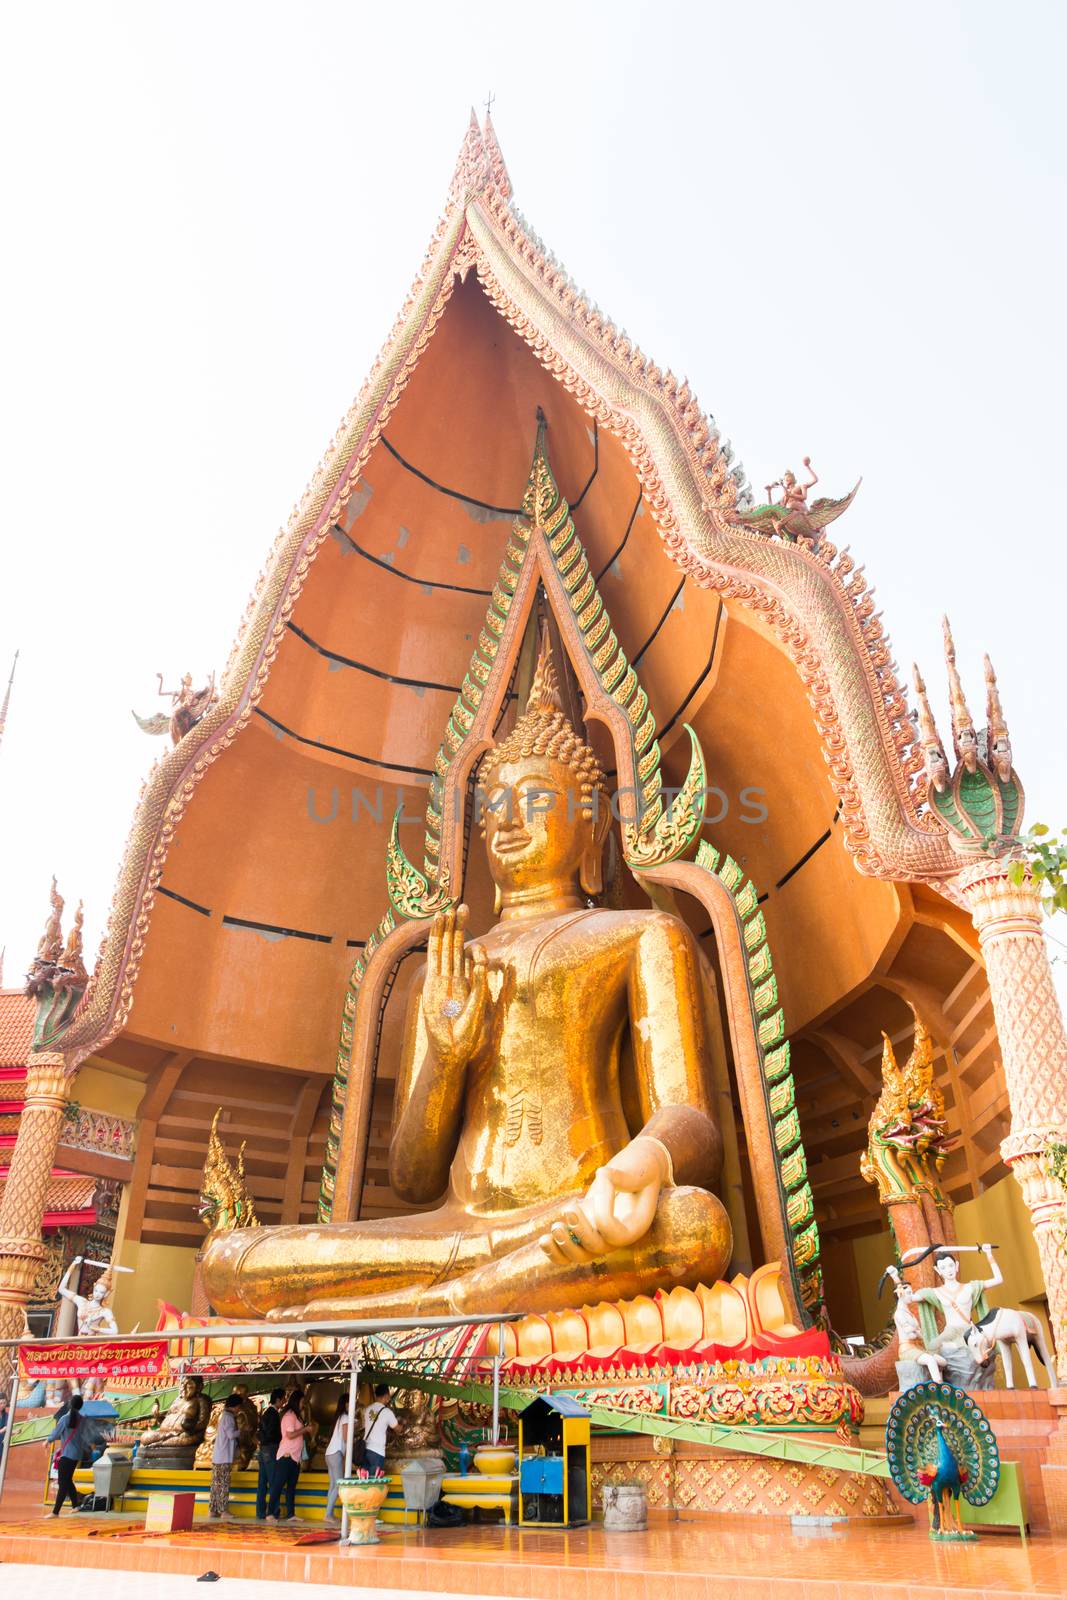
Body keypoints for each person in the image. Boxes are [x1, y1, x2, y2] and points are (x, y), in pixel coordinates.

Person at [266, 1392, 309, 1522]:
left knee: (291, 1487)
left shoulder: (297, 1416)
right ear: (297, 1401)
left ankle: (291, 1513)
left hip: (294, 1457)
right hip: (286, 1456)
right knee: (278, 1485)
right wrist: (305, 1430)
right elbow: (290, 1435)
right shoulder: (289, 1415)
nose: (303, 1404)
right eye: (302, 1401)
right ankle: (270, 1513)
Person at [48, 1394, 88, 1515]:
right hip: (76, 1455)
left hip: (67, 1455)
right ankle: (75, 1505)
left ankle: (55, 1512)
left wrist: (47, 1441)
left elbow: (55, 1434)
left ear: (70, 1404)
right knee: (68, 1480)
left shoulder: (65, 1419)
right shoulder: (83, 1420)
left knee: (62, 1483)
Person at [208, 1394, 243, 1520]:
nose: (239, 1410)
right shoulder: (229, 1417)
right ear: (236, 1406)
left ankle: (213, 1509)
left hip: (219, 1456)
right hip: (224, 1456)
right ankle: (223, 1510)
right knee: (223, 1484)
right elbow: (231, 1435)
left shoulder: (224, 1415)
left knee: (216, 1484)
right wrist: (242, 1431)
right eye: (239, 1407)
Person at [256, 1388, 285, 1520]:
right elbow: (272, 1433)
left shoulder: (266, 1412)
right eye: (283, 1398)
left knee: (262, 1482)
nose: (284, 1401)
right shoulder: (273, 1414)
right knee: (274, 1480)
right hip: (271, 1448)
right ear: (278, 1400)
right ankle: (272, 1511)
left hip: (262, 1449)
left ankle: (261, 1512)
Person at [323, 1396, 350, 1525]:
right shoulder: (345, 1417)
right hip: (336, 1454)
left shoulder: (339, 1417)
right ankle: (328, 1514)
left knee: (333, 1484)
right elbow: (346, 1437)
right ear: (346, 1404)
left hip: (329, 1453)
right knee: (338, 1485)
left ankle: (330, 1514)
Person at [362, 1385, 399, 1476]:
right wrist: (404, 1424)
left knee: (364, 1481)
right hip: (377, 1451)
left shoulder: (368, 1409)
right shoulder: (387, 1412)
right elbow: (397, 1429)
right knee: (374, 1482)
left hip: (365, 1449)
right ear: (386, 1396)